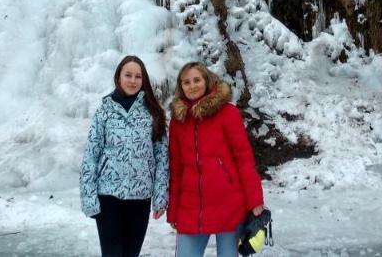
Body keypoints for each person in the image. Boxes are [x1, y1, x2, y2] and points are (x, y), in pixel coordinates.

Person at [167, 62, 265, 257]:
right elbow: (176, 170)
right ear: (181, 86)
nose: (192, 86)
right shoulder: (178, 121)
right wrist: (173, 209)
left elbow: (244, 159)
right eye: (186, 82)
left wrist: (255, 200)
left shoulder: (228, 113)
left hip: (229, 205)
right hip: (191, 207)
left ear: (207, 80)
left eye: (197, 80)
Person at [80, 55, 169, 257]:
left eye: (138, 76)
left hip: (140, 198)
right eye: (128, 75)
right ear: (118, 77)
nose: (132, 80)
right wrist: (88, 196)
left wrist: (160, 196)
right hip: (109, 197)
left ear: (143, 80)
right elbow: (91, 155)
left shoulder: (153, 112)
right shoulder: (105, 110)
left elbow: (162, 158)